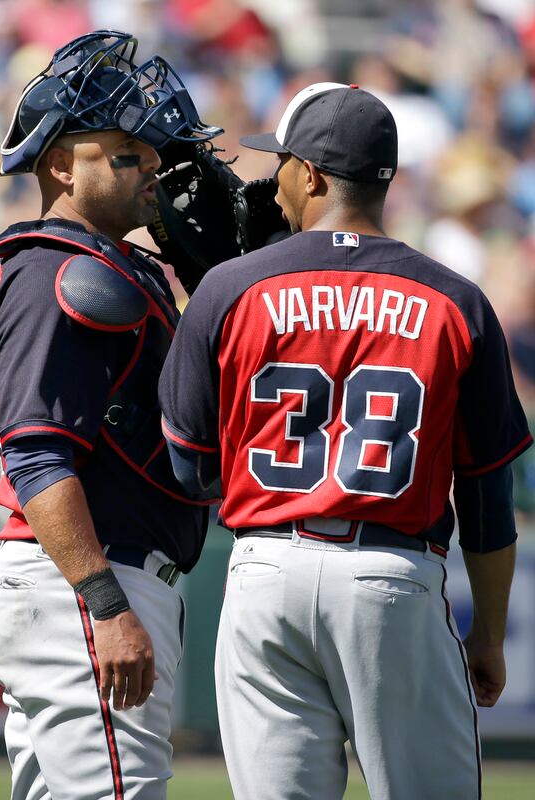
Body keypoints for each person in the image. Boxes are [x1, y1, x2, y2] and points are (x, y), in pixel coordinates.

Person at [158, 82, 533, 799]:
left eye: (283, 164)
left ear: (314, 175)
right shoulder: (456, 299)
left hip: (263, 572)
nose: (271, 182)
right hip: (390, 578)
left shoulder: (230, 288)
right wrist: (487, 630)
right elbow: (487, 490)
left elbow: (191, 466)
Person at [0, 30, 222, 800]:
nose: (150, 168)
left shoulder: (111, 268)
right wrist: (105, 604)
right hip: (86, 580)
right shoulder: (59, 271)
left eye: (148, 155)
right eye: (124, 154)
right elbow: (38, 456)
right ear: (59, 165)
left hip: (80, 581)